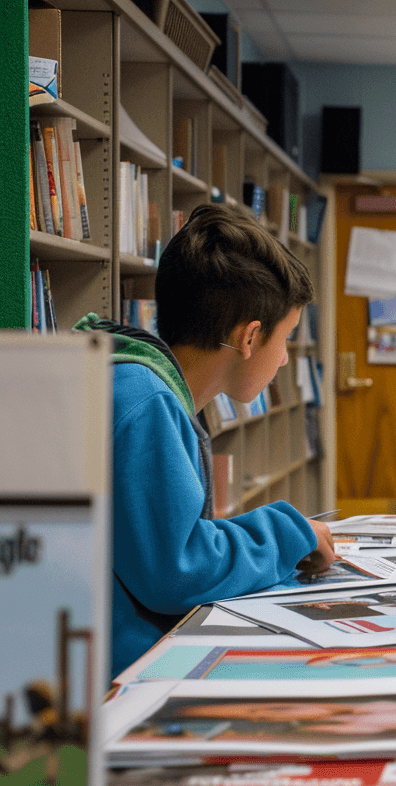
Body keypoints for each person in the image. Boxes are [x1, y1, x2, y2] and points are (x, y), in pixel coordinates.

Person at [74, 203, 336, 680]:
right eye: (286, 340)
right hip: (119, 678)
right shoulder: (144, 401)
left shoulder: (141, 385)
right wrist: (288, 533)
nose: (283, 361)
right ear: (250, 337)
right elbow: (177, 569)